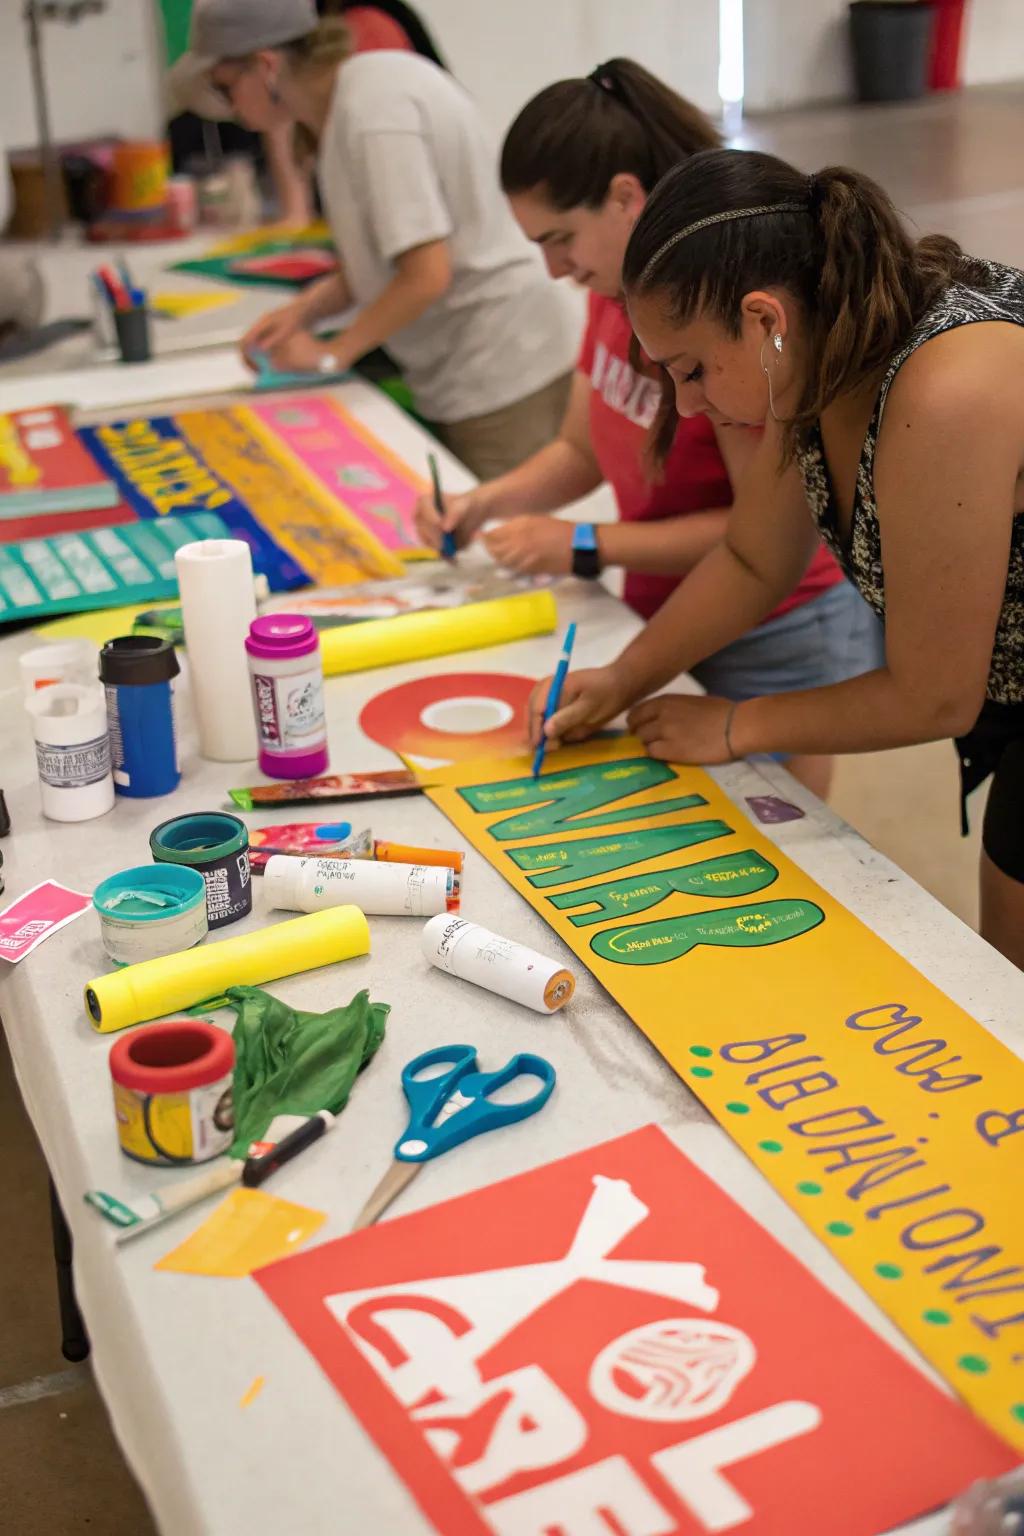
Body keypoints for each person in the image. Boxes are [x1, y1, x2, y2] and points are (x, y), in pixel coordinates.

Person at [529, 145, 1024, 967]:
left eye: (691, 370)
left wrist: (734, 724)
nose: (686, 406)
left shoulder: (943, 391)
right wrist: (626, 678)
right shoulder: (819, 351)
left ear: (764, 320)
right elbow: (758, 558)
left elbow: (937, 696)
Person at [416, 60, 883, 797]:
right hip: (682, 609)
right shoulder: (622, 292)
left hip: (772, 626)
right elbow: (582, 445)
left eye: (560, 238)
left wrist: (585, 544)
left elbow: (760, 538)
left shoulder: (707, 320)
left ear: (625, 198)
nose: (550, 267)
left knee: (782, 842)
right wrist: (491, 501)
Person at [174, 0, 577, 480]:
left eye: (225, 88)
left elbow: (426, 275)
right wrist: (303, 311)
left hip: (504, 369)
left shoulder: (373, 113)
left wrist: (331, 353)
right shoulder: (341, 108)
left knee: (505, 538)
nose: (230, 110)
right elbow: (382, 262)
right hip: (471, 365)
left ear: (266, 66)